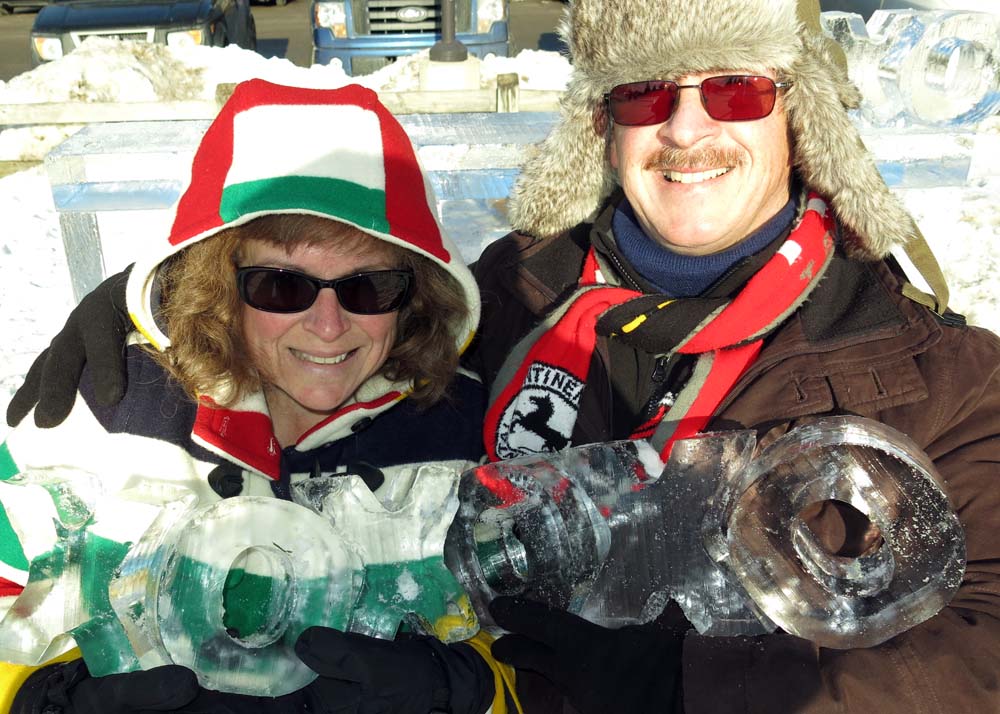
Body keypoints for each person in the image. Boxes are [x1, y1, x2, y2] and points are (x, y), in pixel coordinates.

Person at [7, 1, 1000, 713]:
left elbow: (984, 656)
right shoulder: (514, 301)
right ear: (603, 124)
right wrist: (162, 307)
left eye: (735, 89)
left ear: (798, 114)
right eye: (645, 92)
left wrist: (683, 689)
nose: (686, 128)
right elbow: (345, 288)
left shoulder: (951, 379)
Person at [0, 79, 519, 714]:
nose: (328, 326)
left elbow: (523, 651)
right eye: (280, 285)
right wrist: (44, 700)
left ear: (415, 293)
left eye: (369, 287)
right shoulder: (98, 417)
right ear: (219, 284)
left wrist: (463, 688)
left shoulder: (460, 432)